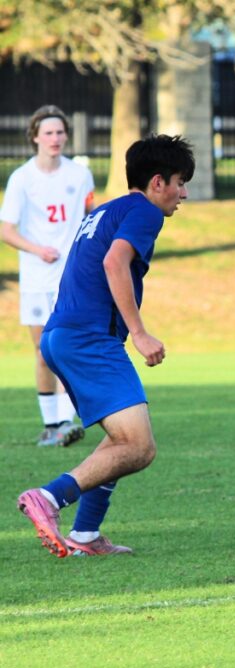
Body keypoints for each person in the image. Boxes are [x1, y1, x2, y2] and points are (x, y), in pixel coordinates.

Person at [17, 134, 194, 557]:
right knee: (138, 446)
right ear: (156, 182)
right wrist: (139, 331)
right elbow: (114, 261)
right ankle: (49, 497)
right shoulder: (145, 213)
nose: (183, 193)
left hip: (62, 335)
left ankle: (86, 535)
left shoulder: (105, 210)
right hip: (87, 339)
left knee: (119, 437)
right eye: (180, 182)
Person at [1, 105, 95, 446]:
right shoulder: (22, 179)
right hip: (38, 278)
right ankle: (50, 423)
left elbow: (88, 218)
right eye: (49, 133)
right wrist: (37, 249)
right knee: (43, 350)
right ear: (35, 137)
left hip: (72, 278)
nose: (55, 138)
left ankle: (67, 421)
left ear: (66, 135)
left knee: (69, 345)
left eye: (60, 132)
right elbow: (6, 230)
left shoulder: (79, 175)